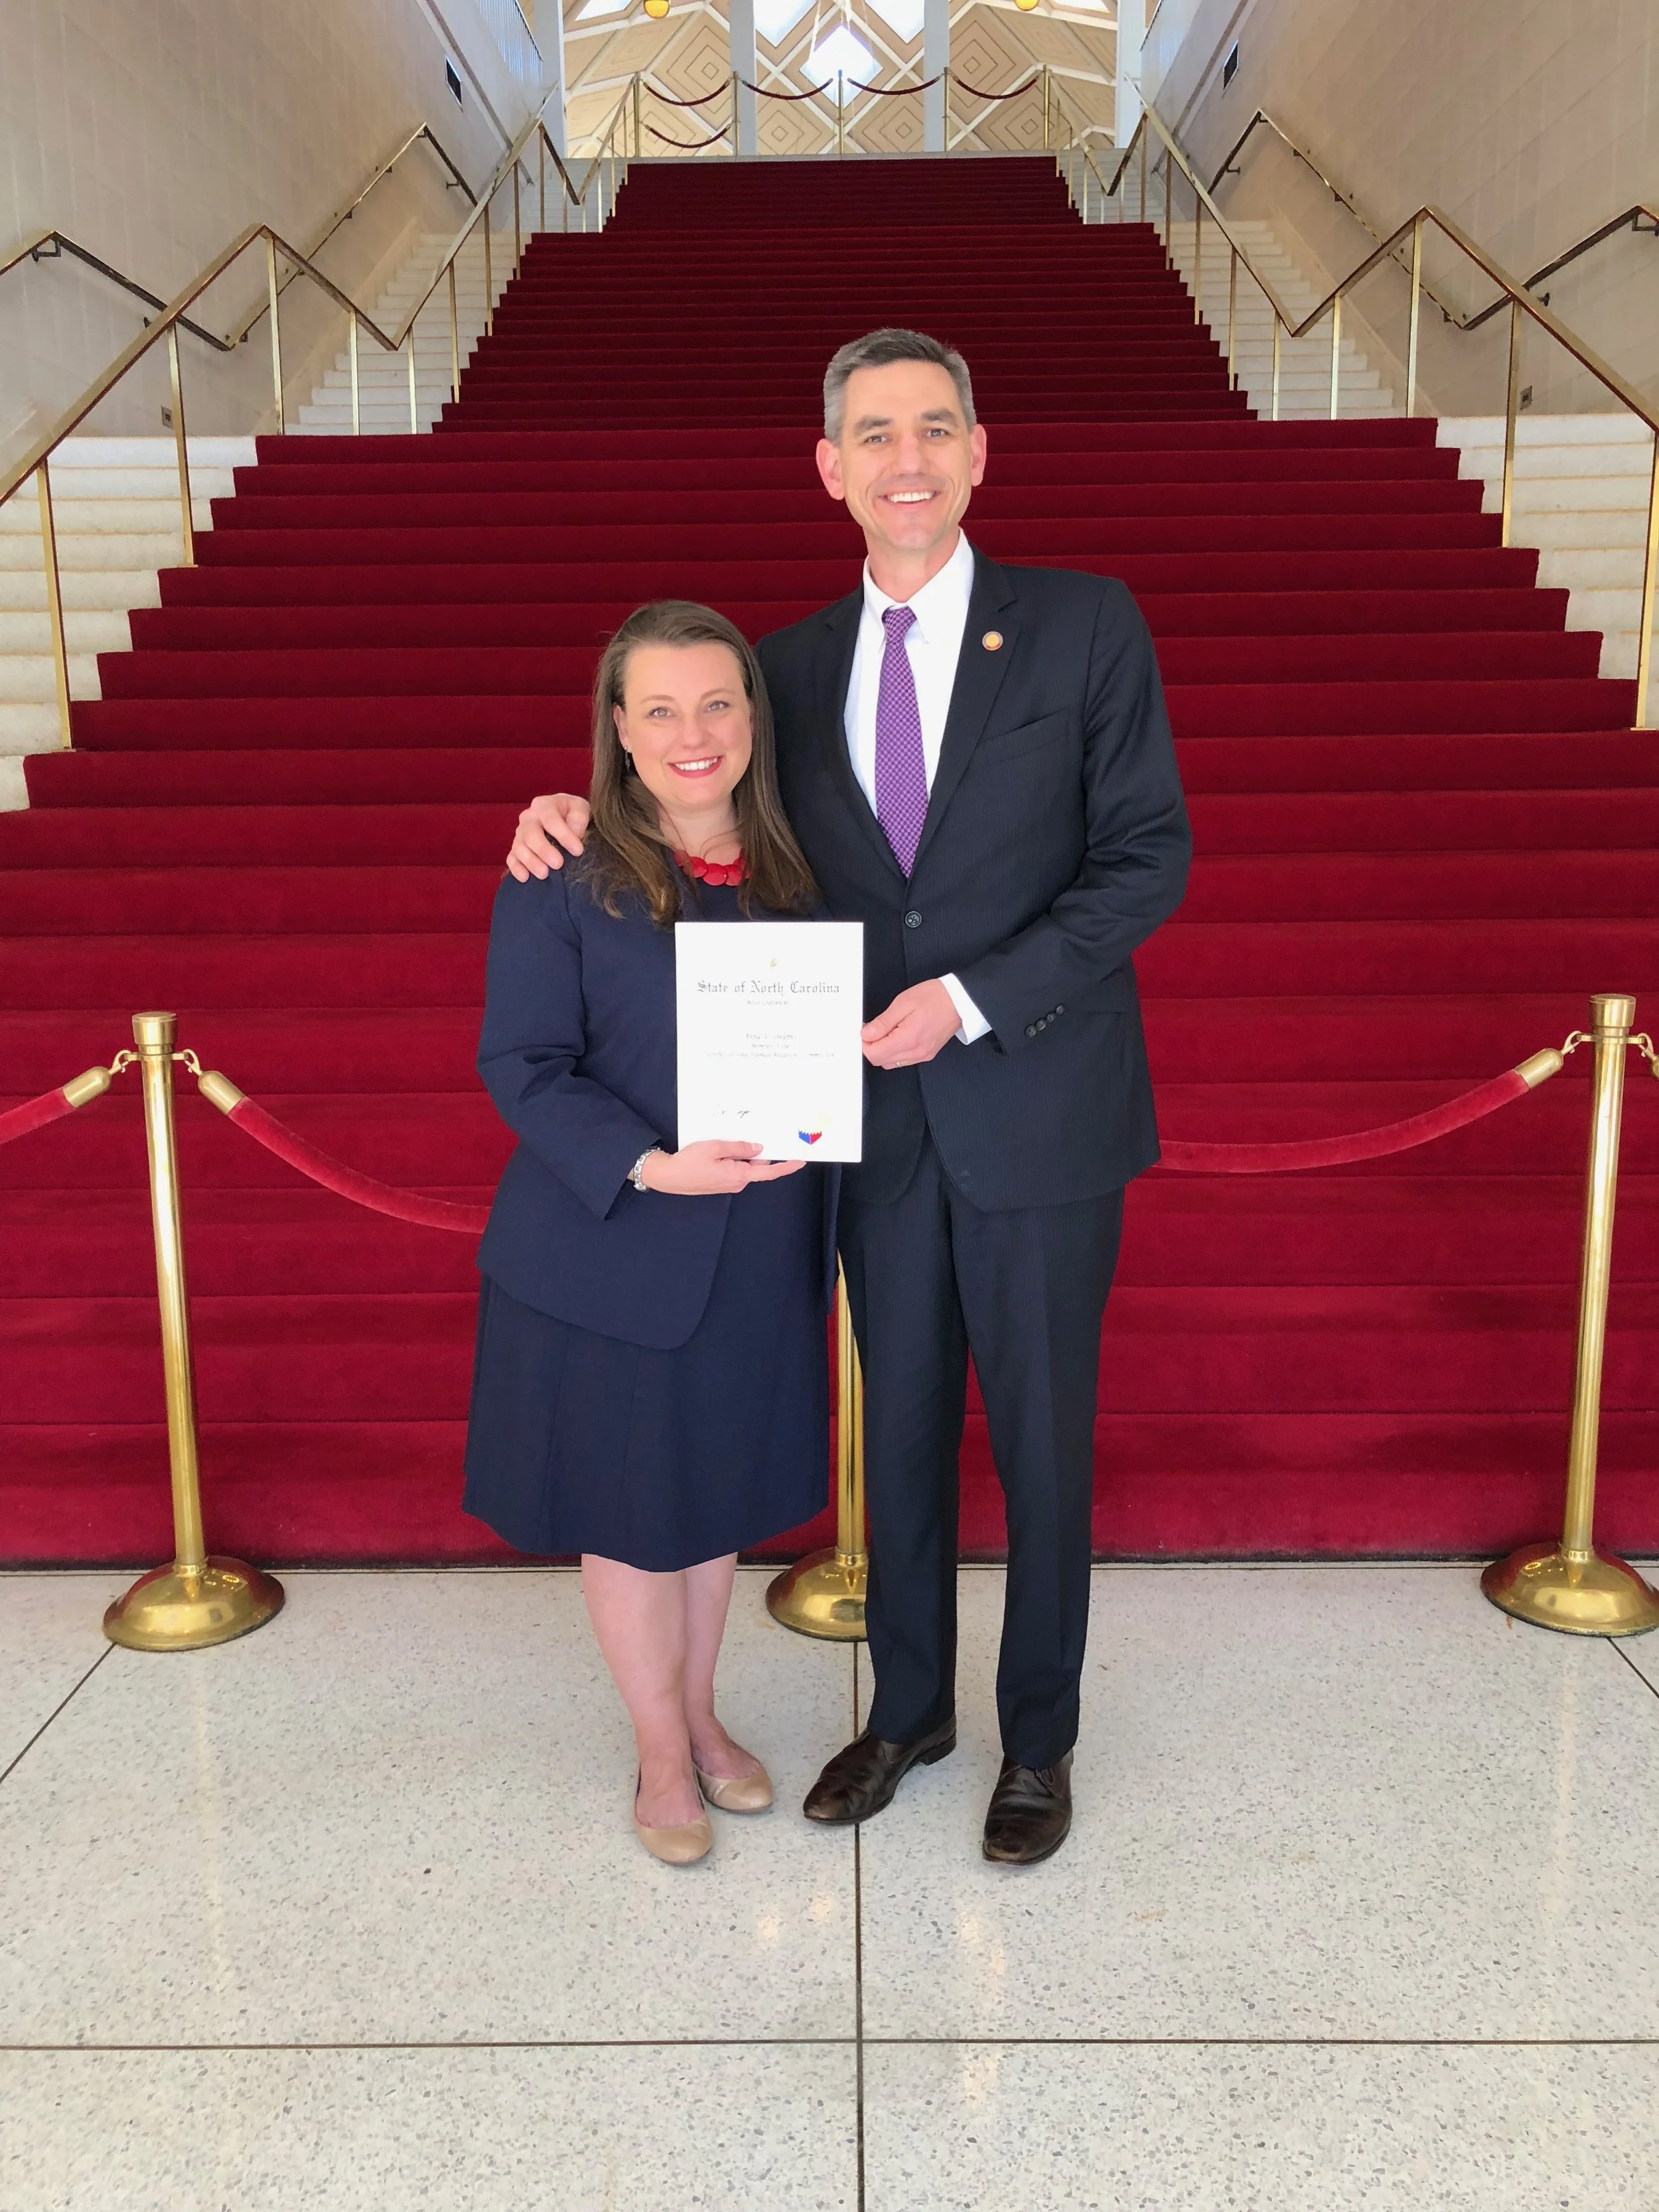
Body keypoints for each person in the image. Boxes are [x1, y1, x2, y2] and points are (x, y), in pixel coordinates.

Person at [506, 329, 1190, 1866]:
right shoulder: (785, 668)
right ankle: (906, 1712)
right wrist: (561, 804)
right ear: (827, 466)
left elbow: (1147, 856)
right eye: (871, 432)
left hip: (1037, 1106)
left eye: (933, 427)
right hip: (862, 1137)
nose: (905, 458)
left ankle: (1036, 1738)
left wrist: (969, 998)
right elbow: (692, 810)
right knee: (895, 1440)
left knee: (1041, 1436)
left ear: (975, 451)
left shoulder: (1082, 629)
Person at [467, 599, 835, 1867]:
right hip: (609, 1246)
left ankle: (704, 1713)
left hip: (760, 1249)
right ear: (618, 730)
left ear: (752, 718)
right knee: (631, 1512)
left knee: (712, 1500)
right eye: (661, 709)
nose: (693, 733)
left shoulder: (806, 865)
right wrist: (646, 1161)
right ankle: (662, 1752)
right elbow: (520, 1061)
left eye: (717, 703)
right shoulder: (561, 875)